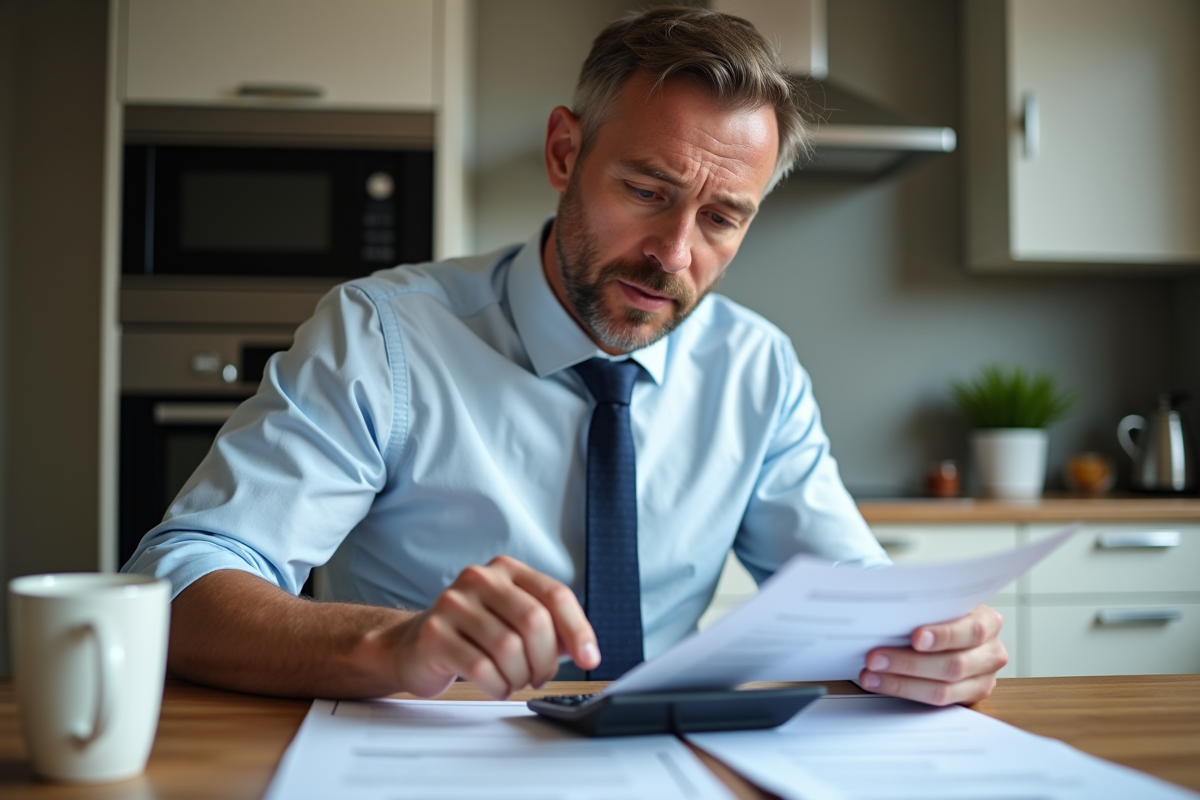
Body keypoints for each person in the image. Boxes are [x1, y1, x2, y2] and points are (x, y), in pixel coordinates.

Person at [123, 6, 1007, 706]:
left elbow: (852, 607)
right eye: (646, 191)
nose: (674, 253)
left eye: (721, 218)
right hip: (429, 762)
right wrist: (395, 644)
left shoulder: (756, 371)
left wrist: (926, 646)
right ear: (564, 151)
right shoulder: (384, 337)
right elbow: (178, 584)